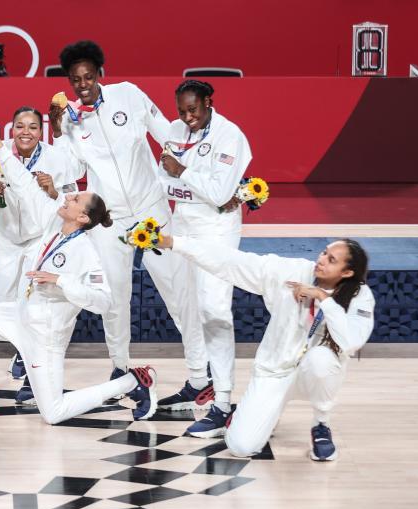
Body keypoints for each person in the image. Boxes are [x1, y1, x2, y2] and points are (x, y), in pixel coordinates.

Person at [0, 111, 157, 424]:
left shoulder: (86, 252)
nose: (69, 196)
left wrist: (61, 281)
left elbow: (104, 302)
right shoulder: (52, 223)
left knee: (53, 413)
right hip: (20, 316)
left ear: (82, 217)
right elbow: (23, 182)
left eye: (75, 199)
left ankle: (133, 382)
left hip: (45, 337)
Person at [157, 233, 373, 461]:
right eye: (324, 253)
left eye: (332, 260)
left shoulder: (360, 296)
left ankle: (321, 424)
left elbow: (350, 341)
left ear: (347, 273)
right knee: (241, 447)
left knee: (321, 359)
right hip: (274, 372)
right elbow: (231, 261)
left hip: (313, 373)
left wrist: (322, 297)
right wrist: (175, 243)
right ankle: (266, 413)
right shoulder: (291, 272)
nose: (322, 260)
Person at [49, 40, 171, 385]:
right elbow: (70, 169)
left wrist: (176, 172)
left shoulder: (128, 94)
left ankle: (198, 371)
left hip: (150, 208)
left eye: (88, 76)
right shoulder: (70, 119)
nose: (83, 84)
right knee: (115, 295)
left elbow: (166, 135)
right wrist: (57, 131)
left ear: (99, 73)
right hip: (109, 218)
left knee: (176, 288)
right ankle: (120, 366)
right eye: (76, 79)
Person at [155, 80, 253, 437]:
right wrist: (197, 187)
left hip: (216, 229)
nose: (187, 117)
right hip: (182, 222)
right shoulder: (174, 129)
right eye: (182, 111)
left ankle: (223, 403)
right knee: (186, 306)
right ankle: (199, 382)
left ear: (209, 102)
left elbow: (220, 193)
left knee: (214, 310)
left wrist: (182, 173)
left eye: (193, 110)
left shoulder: (230, 136)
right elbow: (161, 181)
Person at [0, 105, 85, 380]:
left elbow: (71, 198)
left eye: (33, 127)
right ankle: (21, 348)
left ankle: (26, 357)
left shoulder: (55, 158)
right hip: (6, 239)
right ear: (12, 129)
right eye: (20, 126)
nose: (25, 132)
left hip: (38, 238)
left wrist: (52, 191)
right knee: (6, 299)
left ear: (41, 131)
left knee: (29, 299)